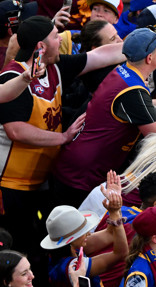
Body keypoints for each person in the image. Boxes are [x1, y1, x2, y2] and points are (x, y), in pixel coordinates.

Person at [0, 15, 125, 255]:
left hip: (41, 179)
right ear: (41, 46)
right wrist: (63, 137)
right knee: (21, 245)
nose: (62, 40)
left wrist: (146, 43)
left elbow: (99, 56)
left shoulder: (55, 66)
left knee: (44, 240)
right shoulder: (12, 78)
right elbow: (16, 130)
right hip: (11, 185)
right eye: (56, 36)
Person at [52, 27, 156, 206]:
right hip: (81, 176)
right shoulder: (134, 91)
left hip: (75, 165)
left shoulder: (122, 71)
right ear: (149, 58)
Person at [43, 171, 127, 287]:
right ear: (72, 239)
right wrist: (114, 212)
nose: (89, 231)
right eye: (84, 230)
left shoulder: (64, 251)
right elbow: (120, 253)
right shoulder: (75, 266)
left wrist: (115, 203)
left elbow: (109, 234)